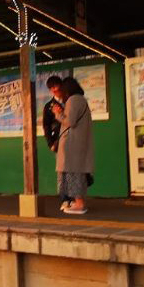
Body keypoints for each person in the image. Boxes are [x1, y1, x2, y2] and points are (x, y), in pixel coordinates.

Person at [51, 76, 94, 215]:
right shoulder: (80, 100)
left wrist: (58, 113)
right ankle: (77, 202)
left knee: (74, 174)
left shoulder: (73, 100)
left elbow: (70, 121)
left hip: (72, 145)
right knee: (74, 173)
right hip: (77, 144)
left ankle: (79, 204)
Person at [43, 76, 69, 209]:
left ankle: (76, 198)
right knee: (62, 170)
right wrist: (50, 143)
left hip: (74, 139)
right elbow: (46, 126)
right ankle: (64, 199)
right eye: (51, 88)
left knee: (76, 170)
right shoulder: (49, 106)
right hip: (59, 142)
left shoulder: (71, 101)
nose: (54, 89)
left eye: (56, 86)